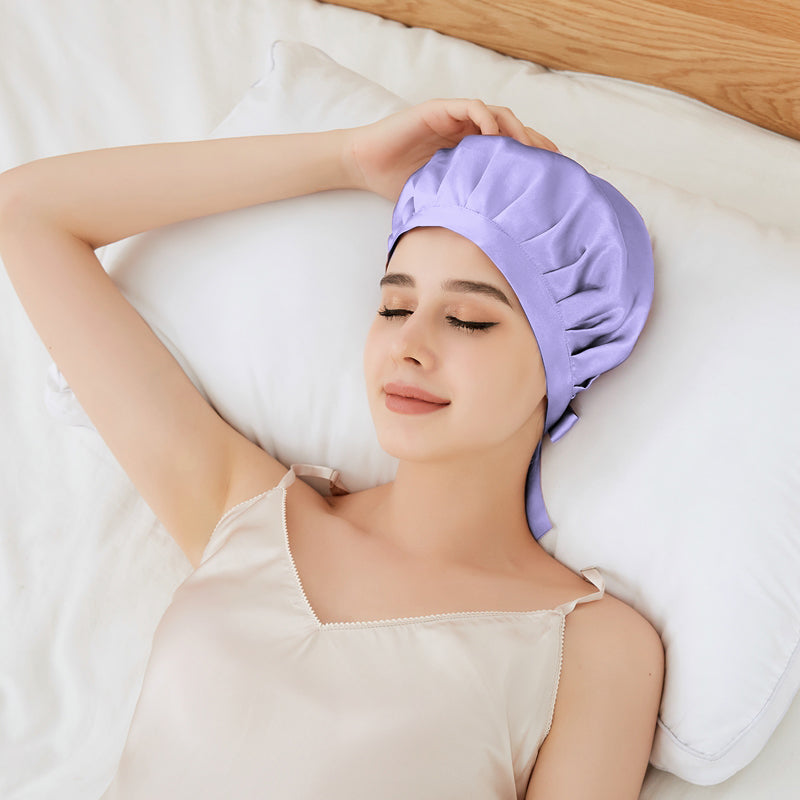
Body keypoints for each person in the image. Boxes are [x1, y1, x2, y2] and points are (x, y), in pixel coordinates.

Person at [0, 98, 664, 799]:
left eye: (468, 320)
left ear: (562, 361)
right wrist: (346, 159)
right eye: (393, 307)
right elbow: (27, 212)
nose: (409, 346)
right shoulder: (246, 514)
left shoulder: (591, 649)